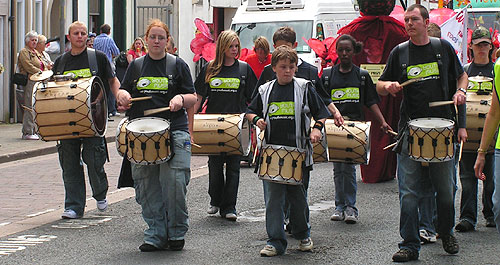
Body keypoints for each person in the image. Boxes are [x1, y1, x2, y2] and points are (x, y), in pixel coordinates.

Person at [376, 4, 468, 262]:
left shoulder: (442, 49)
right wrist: (389, 85)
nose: (409, 24)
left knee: (447, 190)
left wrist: (460, 92)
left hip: (442, 131)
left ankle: (446, 231)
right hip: (411, 131)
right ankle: (409, 244)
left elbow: (462, 77)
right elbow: (380, 86)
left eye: (414, 19)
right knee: (408, 193)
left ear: (426, 22)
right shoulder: (400, 53)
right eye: (406, 20)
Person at [116, 19, 197, 252]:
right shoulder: (137, 66)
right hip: (141, 133)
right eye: (153, 37)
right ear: (146, 39)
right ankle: (155, 233)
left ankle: (176, 232)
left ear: (168, 40)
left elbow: (193, 97)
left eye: (162, 38)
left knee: (175, 184)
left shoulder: (177, 65)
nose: (157, 41)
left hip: (175, 131)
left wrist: (181, 99)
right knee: (146, 186)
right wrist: (122, 96)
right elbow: (123, 90)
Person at [246, 45, 330, 256]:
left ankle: (303, 234)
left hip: (298, 153)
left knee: (298, 200)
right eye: (283, 67)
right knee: (273, 200)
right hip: (272, 154)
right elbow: (249, 112)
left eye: (291, 67)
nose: (287, 71)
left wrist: (317, 130)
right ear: (274, 67)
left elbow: (321, 113)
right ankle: (275, 241)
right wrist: (257, 120)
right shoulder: (265, 90)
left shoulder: (304, 87)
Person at [52, 21, 121, 220]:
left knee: (94, 160)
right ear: (69, 37)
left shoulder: (97, 58)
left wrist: (119, 95)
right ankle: (73, 206)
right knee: (69, 163)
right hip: (68, 120)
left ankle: (100, 193)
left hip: (94, 120)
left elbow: (111, 80)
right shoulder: (61, 62)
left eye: (83, 33)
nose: (80, 36)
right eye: (76, 33)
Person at [322, 34, 391, 224]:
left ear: (354, 52)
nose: (344, 53)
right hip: (334, 128)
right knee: (338, 168)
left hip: (354, 127)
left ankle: (351, 207)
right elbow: (321, 101)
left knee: (350, 168)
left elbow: (371, 102)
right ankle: (339, 206)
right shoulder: (328, 76)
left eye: (348, 50)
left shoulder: (361, 76)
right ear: (337, 51)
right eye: (341, 50)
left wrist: (383, 122)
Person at [194, 30, 257, 221]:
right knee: (214, 165)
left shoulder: (244, 69)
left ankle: (230, 206)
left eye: (236, 46)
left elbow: (254, 99)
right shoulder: (209, 69)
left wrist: (251, 118)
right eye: (231, 46)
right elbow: (199, 96)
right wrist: (192, 119)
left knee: (233, 166)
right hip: (212, 125)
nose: (235, 49)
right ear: (222, 47)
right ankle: (215, 200)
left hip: (236, 126)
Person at [458, 27, 496, 231]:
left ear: (491, 47)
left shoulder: (496, 71)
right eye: (478, 44)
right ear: (471, 47)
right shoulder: (464, 72)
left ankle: (490, 213)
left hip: (492, 137)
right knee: (467, 179)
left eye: (485, 44)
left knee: (492, 180)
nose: (482, 48)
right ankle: (467, 217)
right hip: (468, 137)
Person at [474, 39, 500, 236]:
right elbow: (494, 113)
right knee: (498, 208)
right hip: (499, 148)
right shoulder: (499, 66)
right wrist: (482, 152)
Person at [17, 31, 50, 140]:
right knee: (29, 106)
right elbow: (28, 65)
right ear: (27, 41)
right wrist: (40, 72)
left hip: (39, 80)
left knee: (37, 105)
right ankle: (27, 131)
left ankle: (35, 129)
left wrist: (46, 71)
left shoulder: (35, 52)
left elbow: (43, 64)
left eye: (36, 40)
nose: (35, 42)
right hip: (31, 81)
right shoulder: (24, 52)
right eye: (33, 40)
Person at [93, 24, 120, 117]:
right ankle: (111, 109)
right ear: (109, 32)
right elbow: (116, 52)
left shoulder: (96, 39)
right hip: (108, 65)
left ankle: (99, 109)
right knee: (110, 86)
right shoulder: (109, 40)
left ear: (100, 31)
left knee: (99, 86)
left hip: (96, 65)